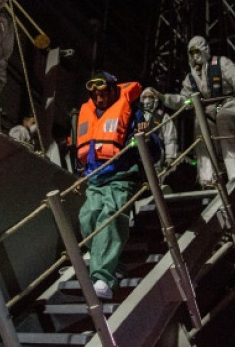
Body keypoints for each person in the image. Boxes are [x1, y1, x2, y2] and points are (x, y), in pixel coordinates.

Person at [75, 71, 159, 299]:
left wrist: (146, 137)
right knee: (88, 218)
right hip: (95, 179)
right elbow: (82, 153)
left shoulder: (133, 112)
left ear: (113, 90)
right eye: (96, 95)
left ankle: (103, 277)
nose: (100, 99)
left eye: (103, 93)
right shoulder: (87, 114)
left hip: (122, 177)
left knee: (110, 216)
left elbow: (155, 150)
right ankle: (114, 266)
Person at [154, 35, 235, 188]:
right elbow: (183, 100)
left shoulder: (221, 64)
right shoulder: (190, 78)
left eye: (197, 52)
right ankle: (207, 179)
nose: (195, 56)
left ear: (204, 50)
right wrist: (164, 98)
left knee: (224, 122)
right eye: (191, 53)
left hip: (225, 105)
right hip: (207, 111)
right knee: (201, 130)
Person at [139, 87, 178, 170]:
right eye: (145, 97)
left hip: (157, 151)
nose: (147, 99)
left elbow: (170, 137)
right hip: (139, 152)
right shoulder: (138, 115)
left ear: (155, 99)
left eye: (150, 97)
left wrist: (170, 157)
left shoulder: (163, 116)